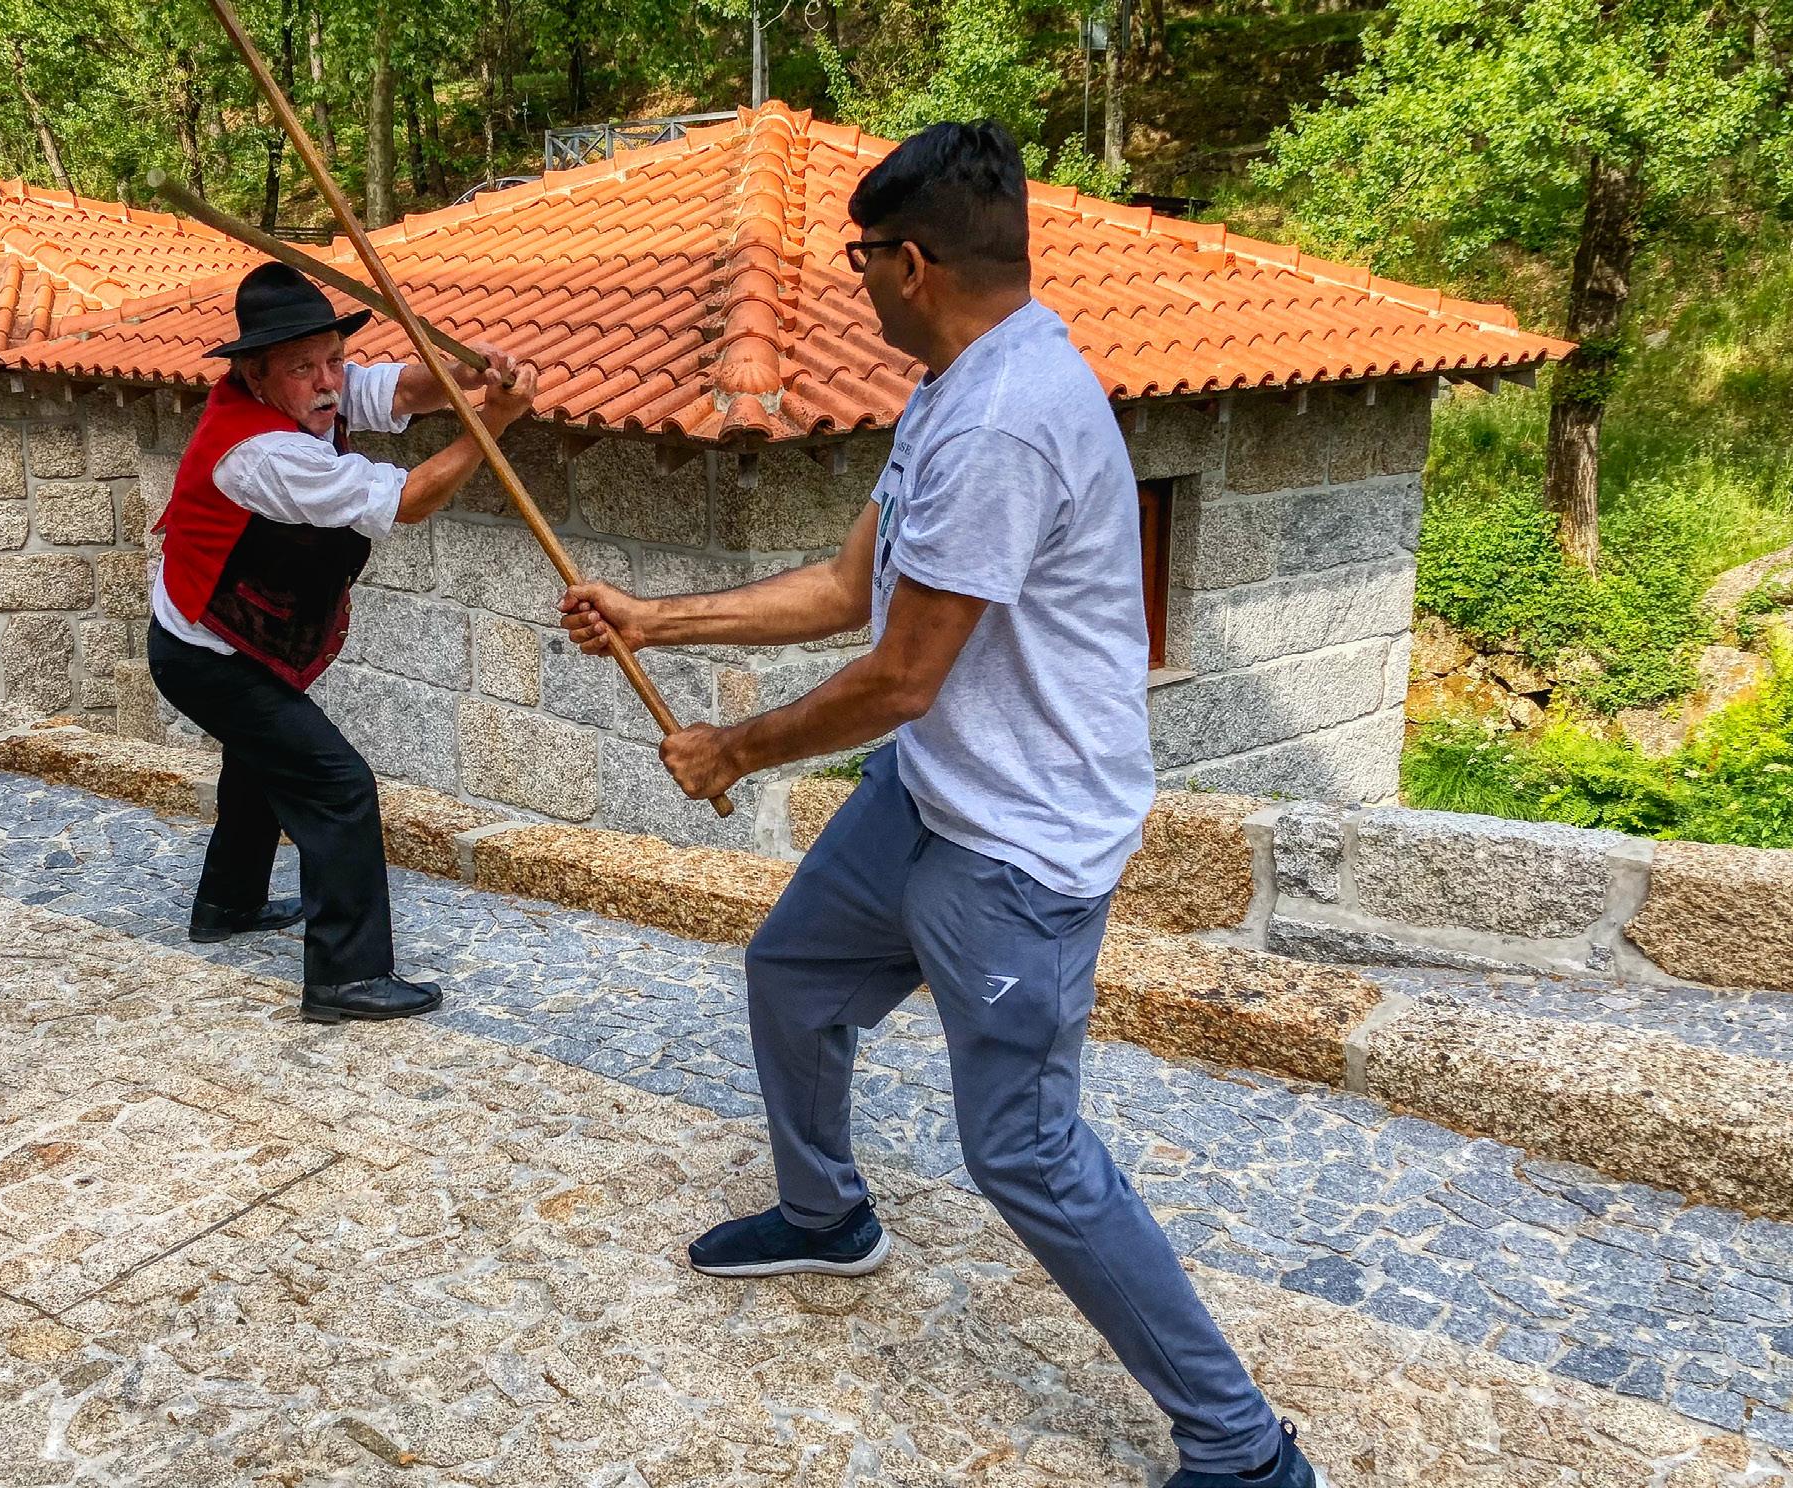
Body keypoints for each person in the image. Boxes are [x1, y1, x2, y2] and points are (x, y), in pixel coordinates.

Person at [559, 122, 1326, 1488]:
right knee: (793, 973)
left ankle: (1243, 1449)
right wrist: (652, 619)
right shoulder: (954, 384)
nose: (854, 279)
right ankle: (825, 1215)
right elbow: (846, 589)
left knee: (1025, 1152)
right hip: (926, 794)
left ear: (910, 263)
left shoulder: (1002, 423)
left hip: (1018, 846)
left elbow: (901, 675)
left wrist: (733, 750)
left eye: (861, 258)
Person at [147, 261, 537, 1026]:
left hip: (222, 637)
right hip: (202, 655)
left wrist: (462, 376)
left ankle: (227, 905)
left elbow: (400, 392)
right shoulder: (262, 454)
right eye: (304, 367)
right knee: (338, 787)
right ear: (255, 374)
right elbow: (409, 501)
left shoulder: (309, 391)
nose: (328, 381)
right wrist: (492, 422)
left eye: (333, 358)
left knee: (262, 762)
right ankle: (345, 977)